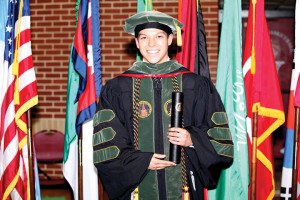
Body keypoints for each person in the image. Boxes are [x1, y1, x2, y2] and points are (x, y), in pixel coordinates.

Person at [93, 11, 233, 200]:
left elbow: (221, 139)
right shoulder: (117, 88)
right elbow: (107, 145)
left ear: (170, 39)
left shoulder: (196, 85)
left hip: (184, 189)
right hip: (137, 188)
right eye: (144, 37)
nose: (151, 44)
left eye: (159, 36)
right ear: (136, 42)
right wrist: (140, 162)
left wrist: (193, 140)